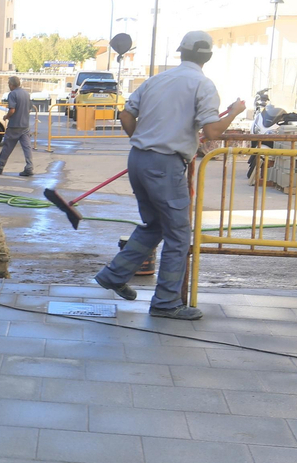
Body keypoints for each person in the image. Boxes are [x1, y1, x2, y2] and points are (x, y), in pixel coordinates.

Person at [93, 29, 245, 320]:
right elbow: (213, 131)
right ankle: (165, 302)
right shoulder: (202, 84)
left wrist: (144, 140)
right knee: (178, 235)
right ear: (208, 57)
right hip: (165, 165)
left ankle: (114, 275)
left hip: (139, 159)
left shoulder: (157, 80)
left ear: (181, 52)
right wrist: (235, 112)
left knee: (154, 225)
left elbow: (126, 114)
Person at [0, 75, 35, 177]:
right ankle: (29, 167)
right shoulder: (26, 94)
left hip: (14, 125)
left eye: (9, 84)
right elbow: (29, 109)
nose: (9, 86)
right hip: (25, 125)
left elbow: (12, 110)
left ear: (12, 84)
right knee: (27, 147)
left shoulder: (12, 94)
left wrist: (6, 117)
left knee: (7, 147)